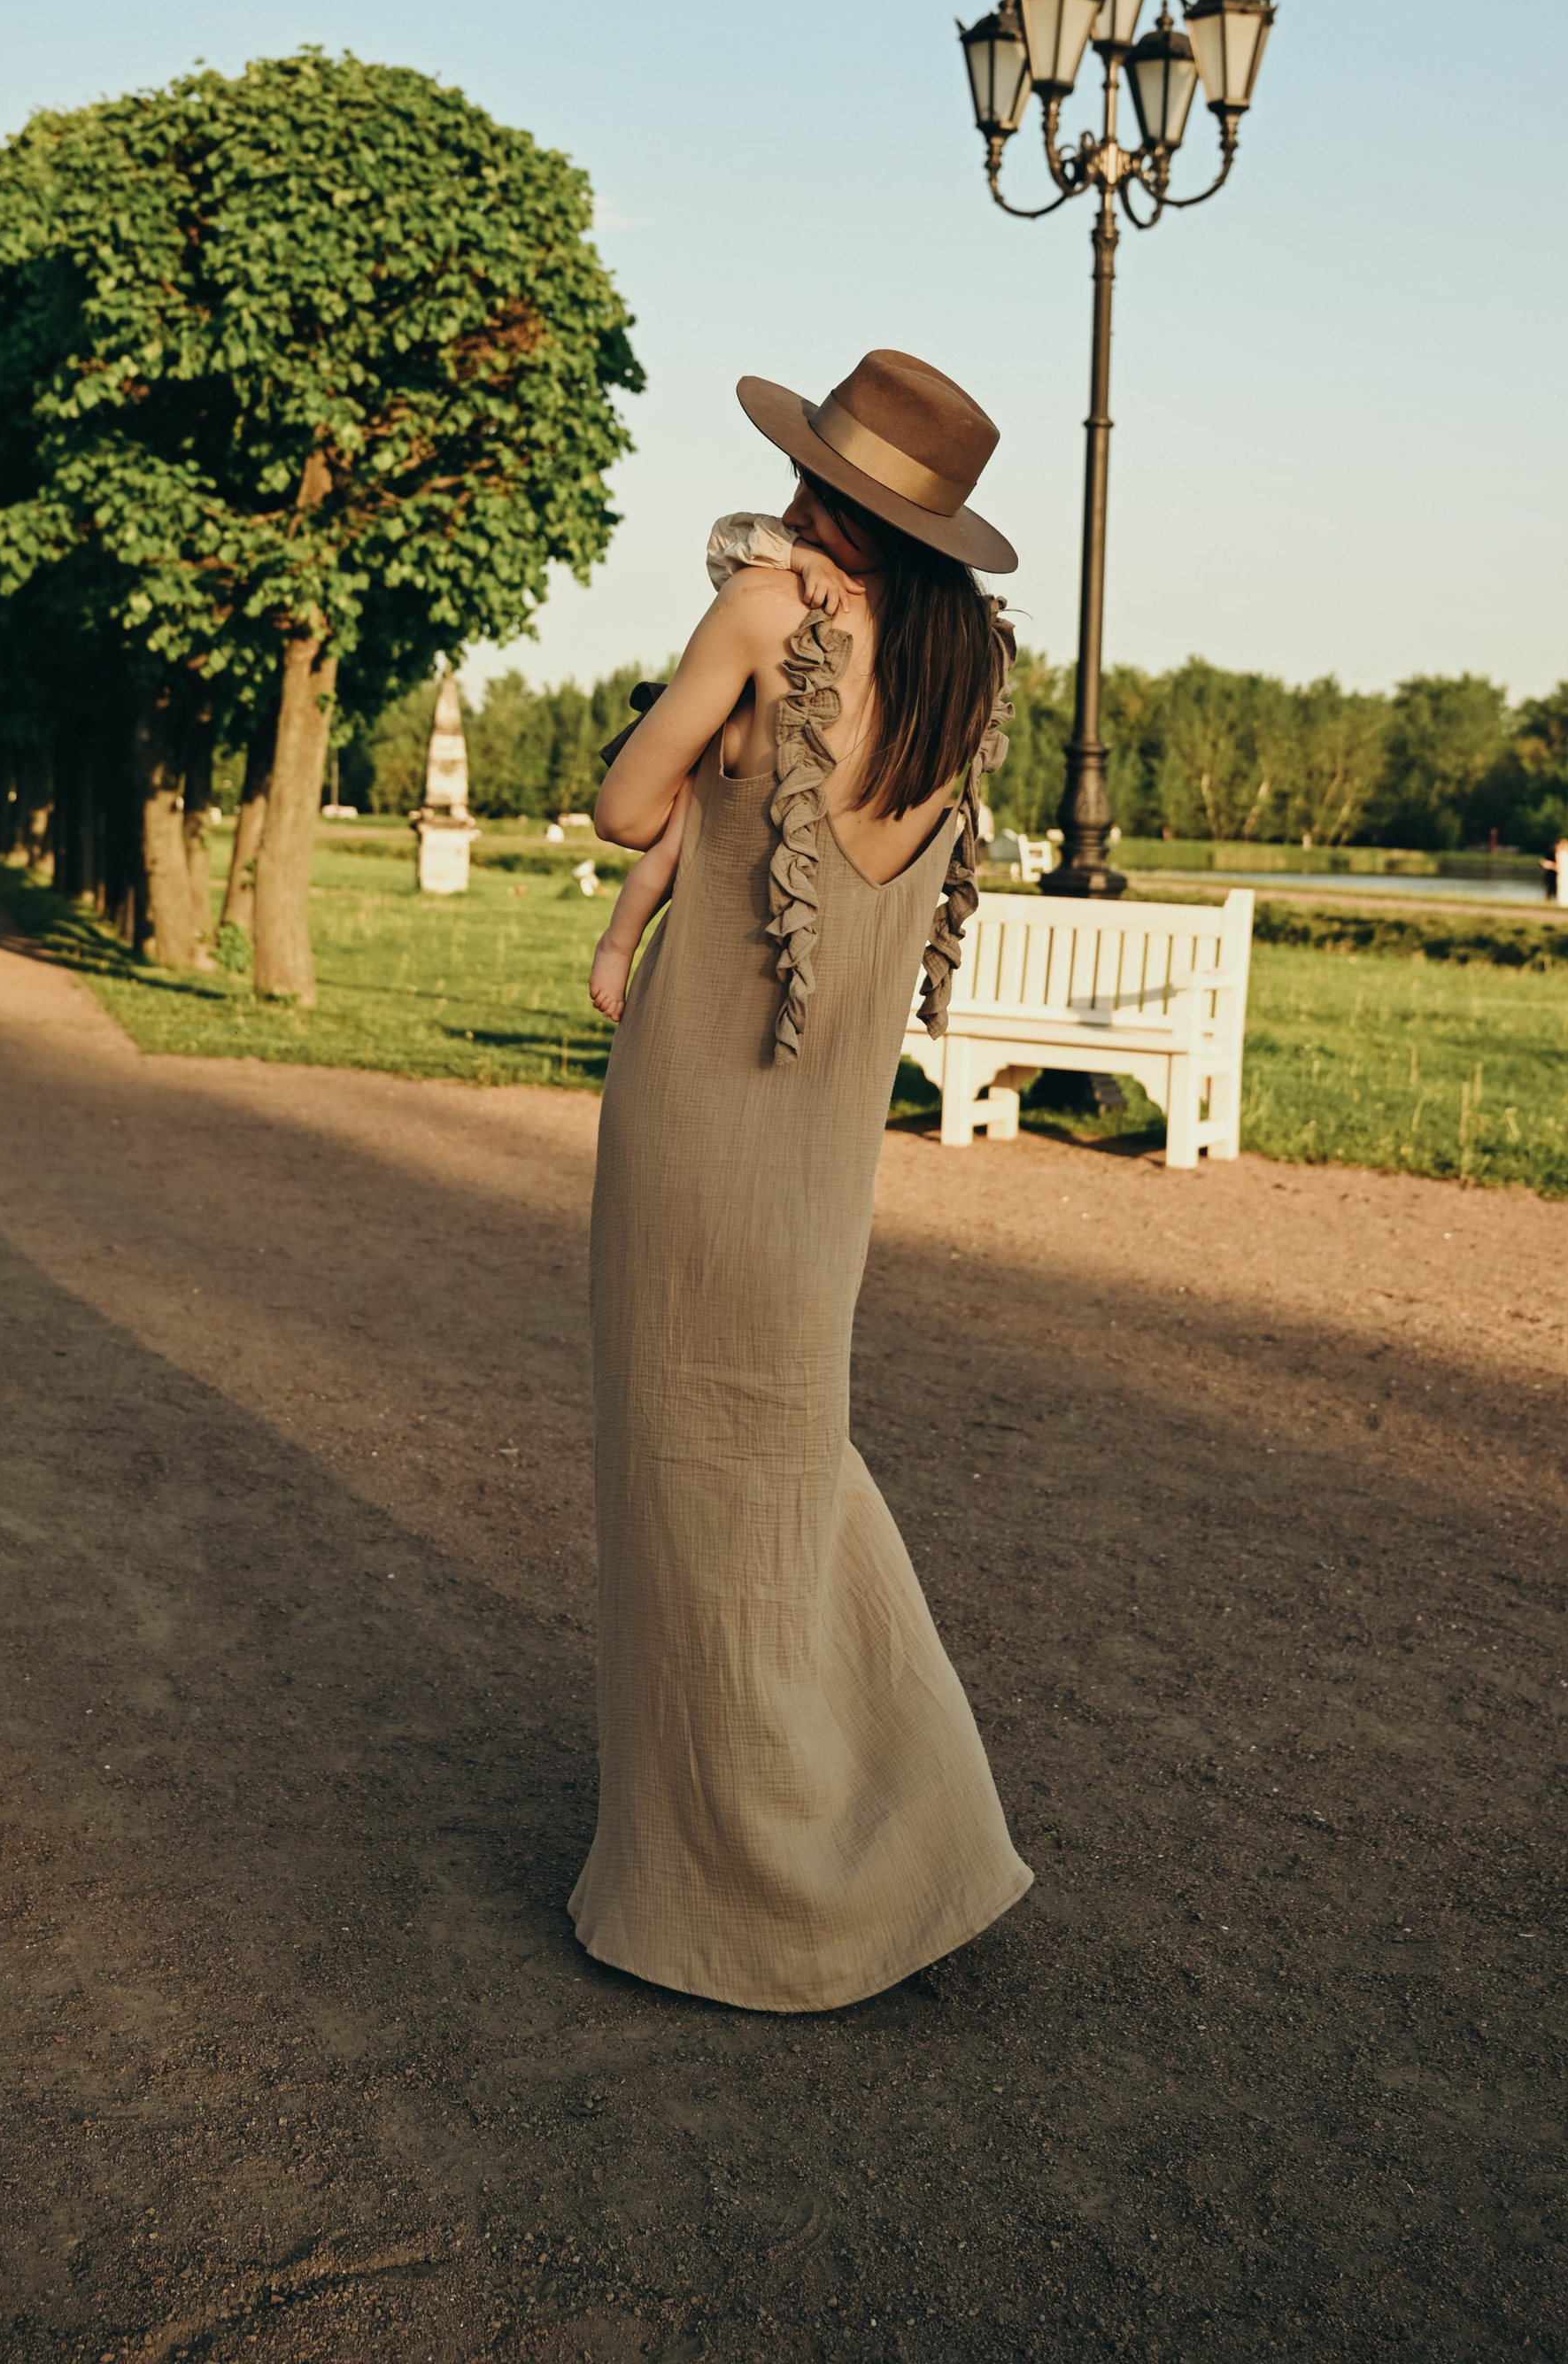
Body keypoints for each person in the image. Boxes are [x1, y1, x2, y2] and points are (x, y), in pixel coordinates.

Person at [569, 346, 1032, 2012]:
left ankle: (733, 1880)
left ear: (830, 493)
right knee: (780, 1454)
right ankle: (909, 1830)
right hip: (825, 1137)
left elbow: (628, 797)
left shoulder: (772, 615)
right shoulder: (961, 675)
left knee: (685, 1458)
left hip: (703, 1107)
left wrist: (690, 777)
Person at [587, 509, 854, 1027]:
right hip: (717, 733)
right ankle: (616, 948)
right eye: (800, 486)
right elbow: (725, 540)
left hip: (765, 755)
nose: (797, 508)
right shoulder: (785, 550)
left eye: (814, 496)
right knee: (669, 855)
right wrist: (805, 559)